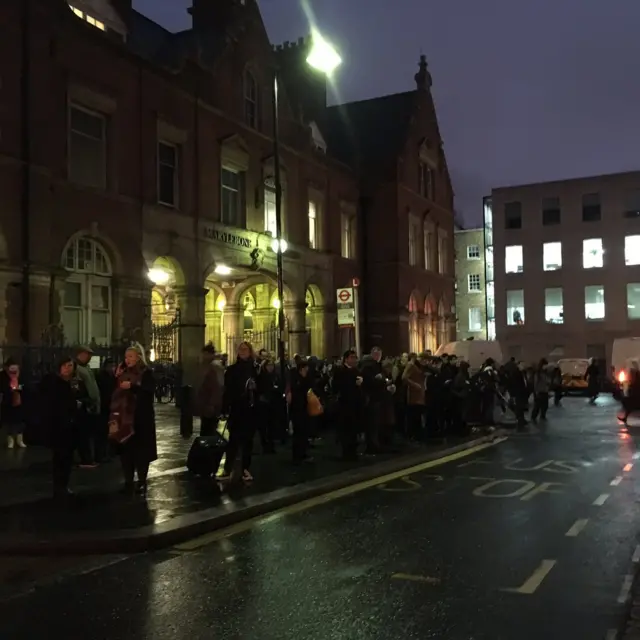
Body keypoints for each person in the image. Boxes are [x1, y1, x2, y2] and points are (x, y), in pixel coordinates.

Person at [110, 344, 157, 494]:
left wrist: (132, 386)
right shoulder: (121, 372)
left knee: (141, 452)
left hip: (141, 418)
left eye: (131, 356)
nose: (127, 360)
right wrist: (116, 377)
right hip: (124, 418)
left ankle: (142, 480)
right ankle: (128, 480)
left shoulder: (146, 373)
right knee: (126, 451)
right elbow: (114, 393)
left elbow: (148, 392)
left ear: (138, 357)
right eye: (126, 357)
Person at [39, 356, 84, 497]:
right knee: (60, 457)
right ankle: (59, 486)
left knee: (67, 458)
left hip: (71, 426)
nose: (67, 368)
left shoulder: (75, 383)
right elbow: (55, 404)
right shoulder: (55, 383)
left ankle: (64, 484)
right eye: (64, 365)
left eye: (70, 365)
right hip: (58, 426)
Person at [220, 341, 258, 482]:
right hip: (236, 409)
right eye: (240, 349)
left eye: (245, 349)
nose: (242, 351)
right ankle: (227, 469)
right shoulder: (232, 370)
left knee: (248, 442)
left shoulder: (255, 369)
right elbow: (227, 391)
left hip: (250, 410)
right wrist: (224, 409)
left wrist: (255, 388)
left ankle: (245, 470)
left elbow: (261, 388)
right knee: (233, 442)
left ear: (250, 351)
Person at [196, 343, 224, 437]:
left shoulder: (215, 367)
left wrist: (212, 404)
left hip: (211, 405)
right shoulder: (205, 366)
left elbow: (218, 387)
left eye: (205, 354)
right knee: (206, 430)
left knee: (209, 431)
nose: (203, 356)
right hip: (205, 404)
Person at [289, 359, 313, 464]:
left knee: (304, 432)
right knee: (299, 432)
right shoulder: (296, 379)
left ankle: (302, 453)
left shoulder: (306, 378)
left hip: (304, 407)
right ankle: (298, 455)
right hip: (297, 408)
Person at [0, 358, 25, 448]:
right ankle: (10, 440)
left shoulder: (20, 374)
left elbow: (25, 384)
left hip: (19, 400)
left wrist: (19, 388)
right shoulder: (2, 375)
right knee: (9, 421)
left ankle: (19, 439)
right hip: (8, 401)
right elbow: (2, 387)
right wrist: (10, 389)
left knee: (20, 421)